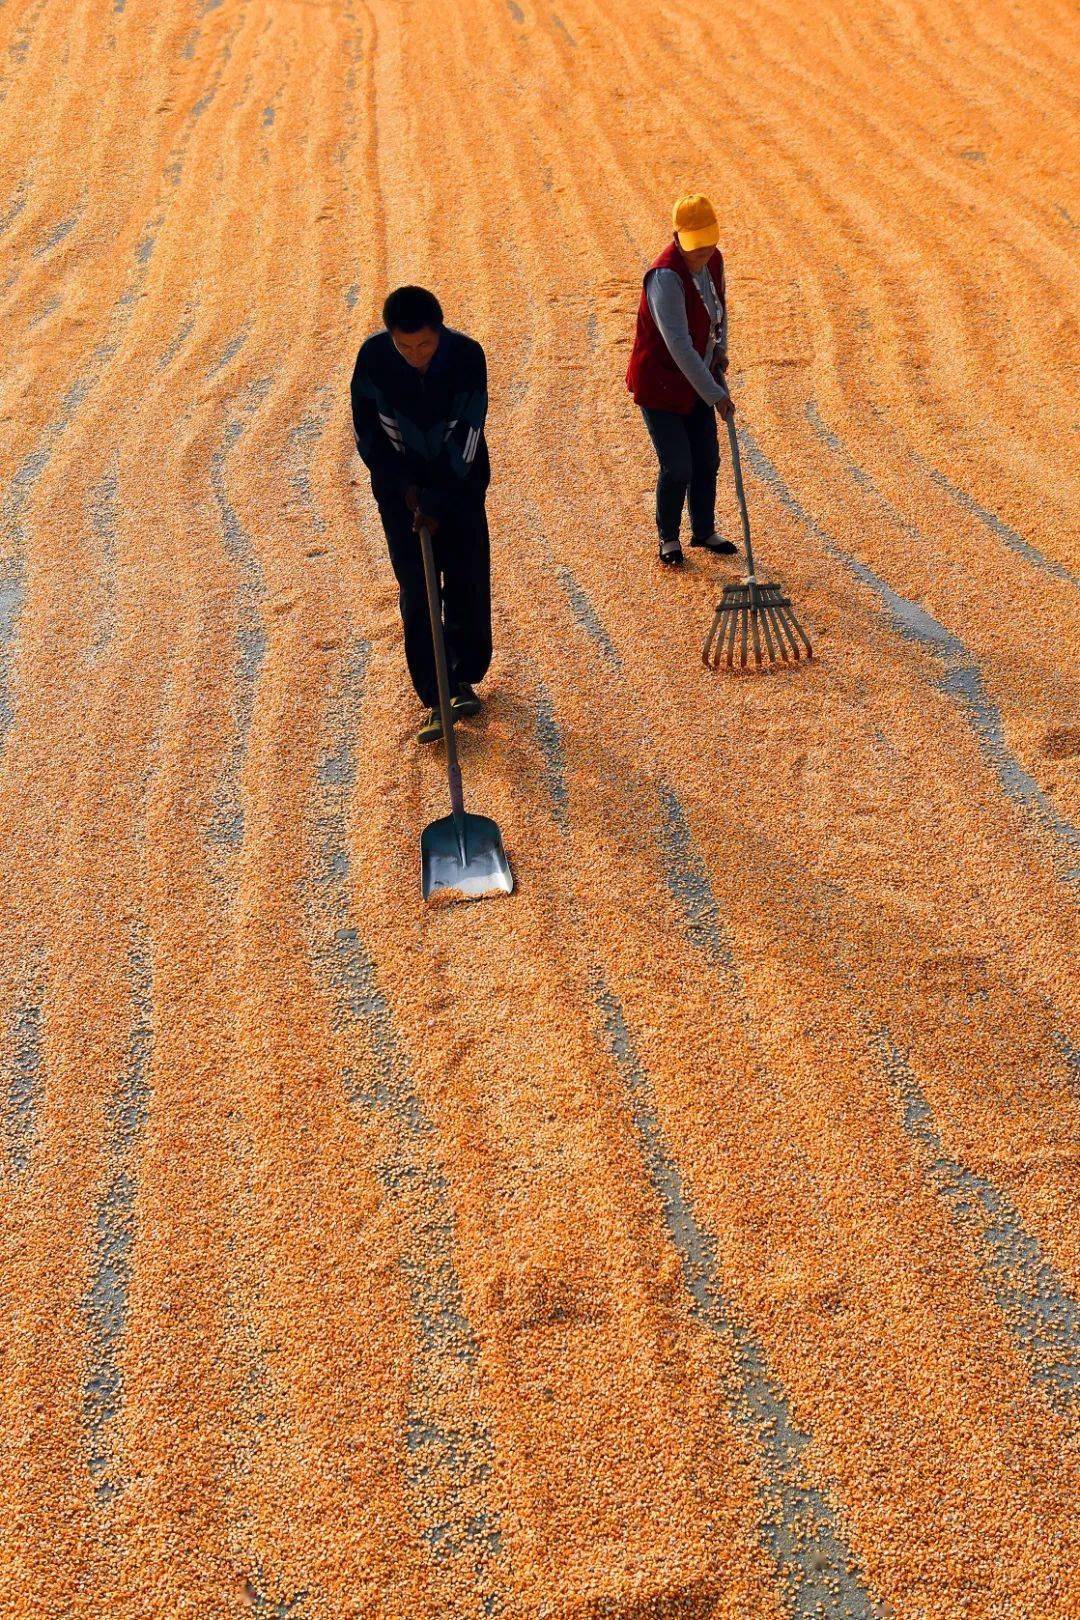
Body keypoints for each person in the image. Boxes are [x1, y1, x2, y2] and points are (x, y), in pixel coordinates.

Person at [350, 286, 492, 744]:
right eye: (404, 346)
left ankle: (465, 675)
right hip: (400, 498)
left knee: (467, 578)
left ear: (440, 332)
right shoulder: (372, 359)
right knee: (417, 589)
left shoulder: (467, 357)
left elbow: (469, 434)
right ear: (390, 336)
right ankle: (435, 696)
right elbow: (368, 433)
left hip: (461, 489)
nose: (415, 355)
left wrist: (438, 498)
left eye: (424, 345)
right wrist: (406, 490)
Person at [626, 193, 738, 567]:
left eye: (708, 241)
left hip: (699, 375)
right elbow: (678, 345)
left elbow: (718, 311)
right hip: (661, 383)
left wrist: (720, 349)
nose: (704, 251)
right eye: (696, 244)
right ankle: (668, 538)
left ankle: (703, 530)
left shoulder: (714, 260)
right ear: (677, 237)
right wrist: (716, 394)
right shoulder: (664, 277)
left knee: (707, 459)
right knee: (678, 465)